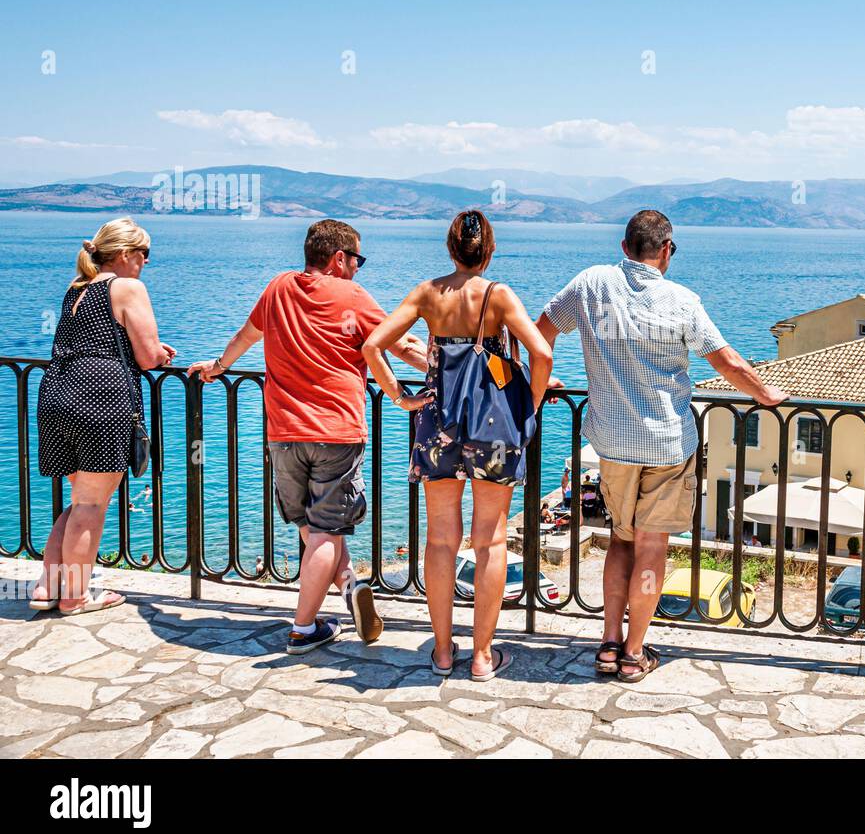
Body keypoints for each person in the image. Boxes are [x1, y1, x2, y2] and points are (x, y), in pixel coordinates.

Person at [536, 209, 786, 682]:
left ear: (625, 247)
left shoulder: (591, 285)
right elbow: (728, 362)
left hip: (611, 443)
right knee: (653, 548)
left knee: (619, 542)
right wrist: (767, 395)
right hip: (668, 445)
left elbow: (539, 332)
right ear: (666, 250)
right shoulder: (682, 301)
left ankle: (607, 646)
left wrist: (543, 381)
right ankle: (633, 654)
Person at [188, 220, 427, 654]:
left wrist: (218, 367)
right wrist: (462, 374)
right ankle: (303, 628)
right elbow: (401, 346)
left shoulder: (277, 287)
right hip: (335, 429)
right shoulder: (352, 296)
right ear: (339, 258)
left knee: (309, 526)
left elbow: (247, 335)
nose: (358, 269)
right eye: (357, 260)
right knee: (324, 532)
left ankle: (348, 582)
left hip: (283, 433)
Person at [363, 210, 552, 681]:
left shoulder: (428, 293)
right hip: (494, 426)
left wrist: (400, 397)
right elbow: (542, 353)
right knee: (489, 539)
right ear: (488, 251)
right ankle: (483, 656)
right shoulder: (499, 295)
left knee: (441, 538)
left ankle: (444, 653)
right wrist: (527, 403)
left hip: (437, 420)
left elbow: (373, 346)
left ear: (451, 249)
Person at [32, 218, 175, 615]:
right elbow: (148, 358)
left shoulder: (77, 288)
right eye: (145, 253)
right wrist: (162, 354)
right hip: (99, 399)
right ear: (126, 254)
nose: (146, 262)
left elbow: (95, 337)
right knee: (92, 506)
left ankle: (48, 588)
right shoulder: (128, 287)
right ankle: (75, 597)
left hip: (57, 393)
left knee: (81, 500)